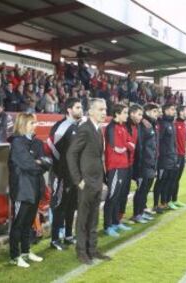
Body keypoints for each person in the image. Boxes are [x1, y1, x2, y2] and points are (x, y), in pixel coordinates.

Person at [67, 98, 111, 265]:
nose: (104, 113)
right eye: (101, 109)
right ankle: (81, 252)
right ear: (91, 111)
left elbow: (97, 158)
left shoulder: (98, 130)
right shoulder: (85, 129)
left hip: (97, 181)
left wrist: (102, 179)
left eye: (105, 109)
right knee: (83, 219)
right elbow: (71, 154)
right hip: (86, 182)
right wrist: (78, 179)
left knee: (93, 218)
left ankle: (92, 249)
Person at [8, 112, 52, 268]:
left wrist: (39, 162)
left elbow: (47, 162)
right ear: (23, 125)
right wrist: (39, 163)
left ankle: (26, 252)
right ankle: (14, 255)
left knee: (28, 224)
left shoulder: (37, 142)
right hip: (21, 190)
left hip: (35, 188)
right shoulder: (17, 143)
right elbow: (28, 164)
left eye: (35, 123)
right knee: (18, 224)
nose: (35, 125)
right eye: (32, 123)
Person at [47, 97, 83, 250]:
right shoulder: (61, 127)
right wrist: (61, 167)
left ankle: (68, 235)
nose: (80, 110)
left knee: (72, 206)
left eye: (81, 107)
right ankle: (55, 239)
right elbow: (51, 148)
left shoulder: (79, 126)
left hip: (76, 175)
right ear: (69, 110)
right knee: (60, 206)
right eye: (77, 107)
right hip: (62, 174)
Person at [103, 104, 134, 237]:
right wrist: (126, 146)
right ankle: (107, 225)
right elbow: (117, 147)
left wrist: (126, 145)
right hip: (115, 166)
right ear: (117, 114)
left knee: (119, 196)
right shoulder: (111, 127)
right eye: (125, 112)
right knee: (112, 196)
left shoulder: (122, 127)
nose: (127, 115)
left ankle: (116, 222)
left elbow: (132, 145)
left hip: (124, 165)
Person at [132, 103, 159, 222]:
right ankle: (136, 214)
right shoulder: (143, 125)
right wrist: (140, 164)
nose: (157, 114)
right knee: (141, 190)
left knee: (146, 190)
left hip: (151, 163)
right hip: (144, 164)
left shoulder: (151, 125)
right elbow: (140, 146)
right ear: (147, 111)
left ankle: (141, 211)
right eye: (154, 111)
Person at [118, 104, 143, 223]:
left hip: (131, 165)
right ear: (131, 114)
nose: (141, 117)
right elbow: (123, 144)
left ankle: (120, 218)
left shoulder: (136, 127)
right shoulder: (124, 126)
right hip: (122, 165)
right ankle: (115, 220)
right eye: (139, 114)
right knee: (119, 193)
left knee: (125, 192)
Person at [153, 103, 177, 212]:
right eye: (172, 109)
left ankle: (164, 203)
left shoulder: (171, 123)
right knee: (160, 181)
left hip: (171, 158)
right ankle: (155, 205)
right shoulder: (162, 124)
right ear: (166, 110)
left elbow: (172, 142)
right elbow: (159, 141)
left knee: (167, 181)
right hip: (163, 159)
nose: (174, 111)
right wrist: (161, 156)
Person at [168, 105, 186, 208]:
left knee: (177, 179)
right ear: (181, 112)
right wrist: (175, 154)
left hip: (182, 156)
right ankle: (168, 201)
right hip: (176, 156)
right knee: (172, 179)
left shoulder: (184, 124)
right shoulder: (175, 124)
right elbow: (172, 142)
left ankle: (175, 199)